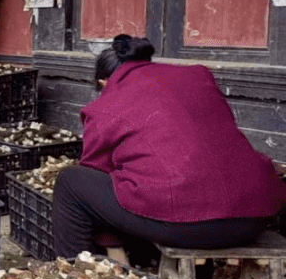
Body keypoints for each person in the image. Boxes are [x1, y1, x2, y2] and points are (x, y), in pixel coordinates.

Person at [52, 34, 286, 259]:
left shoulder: (106, 104)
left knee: (70, 183)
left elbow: (96, 172)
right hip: (256, 217)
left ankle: (74, 271)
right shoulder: (199, 76)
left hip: (188, 226)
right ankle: (202, 276)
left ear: (103, 82)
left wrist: (109, 240)